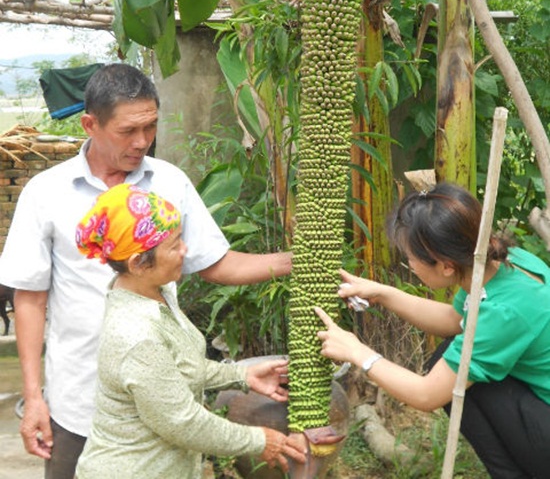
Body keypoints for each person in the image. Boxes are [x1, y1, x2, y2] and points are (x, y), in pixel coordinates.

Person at [0, 63, 292, 479]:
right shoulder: (46, 193)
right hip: (77, 399)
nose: (142, 142)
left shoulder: (169, 182)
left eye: (151, 127)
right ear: (90, 124)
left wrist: (294, 262)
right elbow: (29, 297)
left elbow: (213, 262)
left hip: (163, 397)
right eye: (127, 131)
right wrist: (34, 397)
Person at [315, 182, 550, 479]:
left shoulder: (502, 314)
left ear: (447, 266)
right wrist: (383, 293)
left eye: (411, 258)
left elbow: (427, 395)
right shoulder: (504, 262)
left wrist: (357, 352)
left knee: (453, 377)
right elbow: (454, 319)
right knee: (449, 359)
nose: (410, 265)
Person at [73, 183, 305, 478]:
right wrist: (259, 440)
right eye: (174, 246)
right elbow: (183, 422)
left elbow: (179, 367)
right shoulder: (134, 333)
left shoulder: (158, 292)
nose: (185, 250)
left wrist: (241, 375)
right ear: (138, 264)